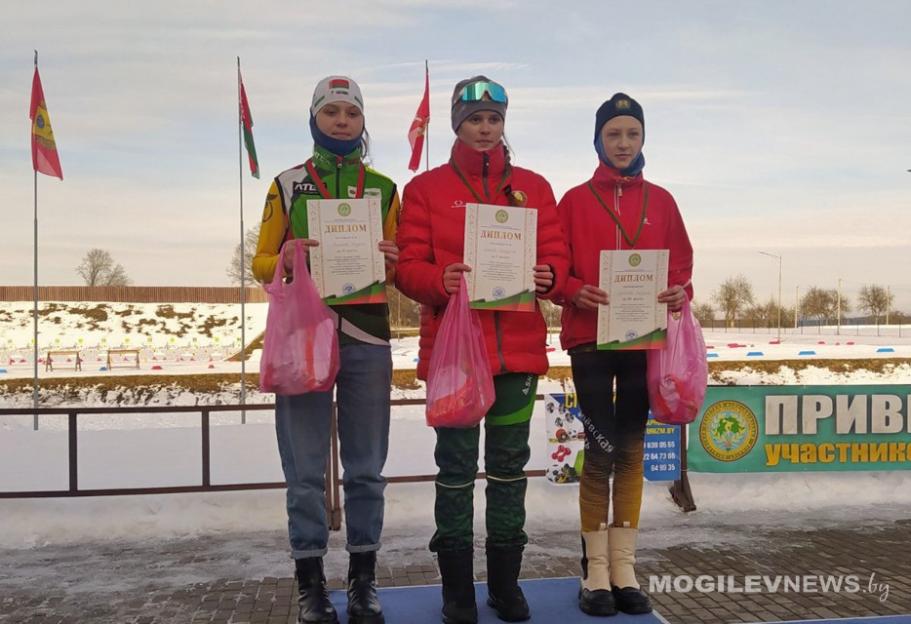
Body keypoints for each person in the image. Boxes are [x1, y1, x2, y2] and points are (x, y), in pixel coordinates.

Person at [395, 76, 569, 624]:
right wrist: (435, 279)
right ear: (457, 124)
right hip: (456, 358)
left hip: (517, 352)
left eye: (494, 119)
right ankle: (457, 590)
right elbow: (406, 263)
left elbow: (558, 255)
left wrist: (549, 275)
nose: (486, 129)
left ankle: (505, 585)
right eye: (475, 119)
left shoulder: (535, 189)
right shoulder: (425, 189)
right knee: (453, 468)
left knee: (510, 470)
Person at [252, 75, 400, 624]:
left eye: (352, 113)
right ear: (314, 119)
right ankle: (311, 583)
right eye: (332, 112)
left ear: (363, 122)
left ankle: (364, 580)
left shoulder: (384, 187)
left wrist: (395, 257)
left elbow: (401, 264)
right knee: (305, 470)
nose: (342, 121)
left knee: (366, 469)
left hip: (366, 337)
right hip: (303, 340)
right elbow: (261, 263)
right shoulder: (288, 185)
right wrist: (286, 257)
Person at [556, 93, 694, 617]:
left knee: (632, 451)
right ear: (598, 140)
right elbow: (552, 266)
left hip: (643, 341)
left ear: (642, 140)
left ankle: (625, 568)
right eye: (613, 134)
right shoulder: (572, 200)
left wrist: (681, 291)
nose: (623, 143)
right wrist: (572, 289)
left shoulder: (662, 201)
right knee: (602, 450)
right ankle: (593, 573)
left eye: (632, 134)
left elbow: (680, 265)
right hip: (590, 341)